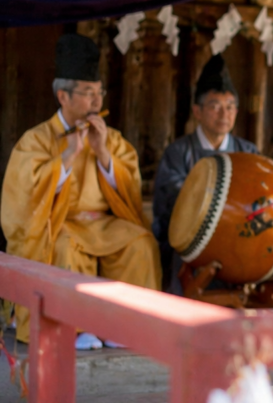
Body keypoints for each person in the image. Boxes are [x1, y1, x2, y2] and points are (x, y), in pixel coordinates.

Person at [1, 34, 160, 348]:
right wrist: (67, 156)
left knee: (140, 243)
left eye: (99, 93)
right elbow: (22, 198)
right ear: (63, 96)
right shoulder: (36, 139)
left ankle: (124, 325)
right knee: (62, 246)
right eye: (88, 94)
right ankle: (72, 329)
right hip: (60, 224)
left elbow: (129, 188)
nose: (97, 102)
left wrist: (103, 154)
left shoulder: (111, 138)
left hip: (102, 224)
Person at [151, 55, 259, 292]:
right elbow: (172, 201)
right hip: (192, 237)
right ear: (197, 111)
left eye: (229, 107)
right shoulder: (178, 152)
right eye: (215, 106)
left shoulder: (248, 152)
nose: (224, 114)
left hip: (238, 235)